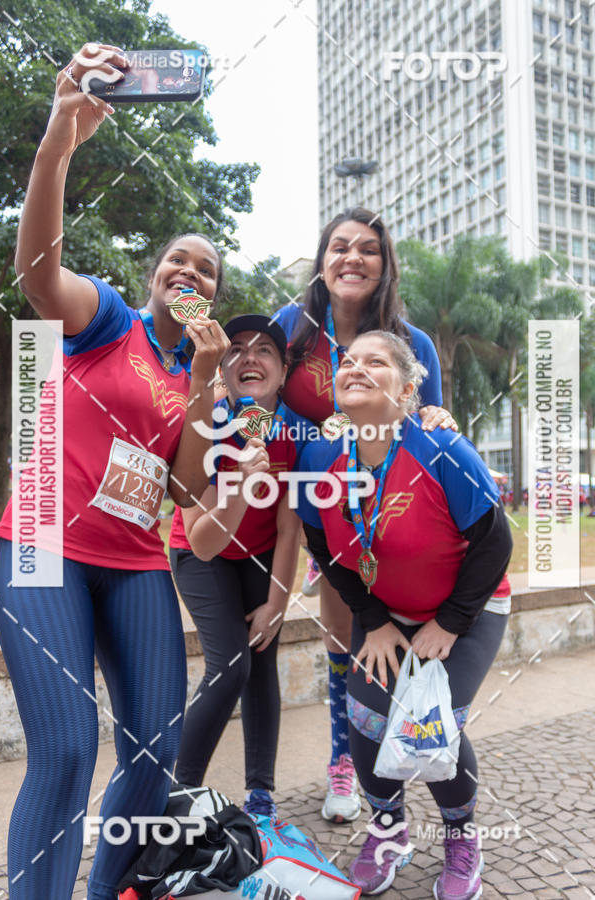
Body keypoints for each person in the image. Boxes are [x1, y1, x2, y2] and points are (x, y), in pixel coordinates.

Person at [0, 44, 229, 900]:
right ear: (155, 276)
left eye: (207, 268)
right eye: (179, 260)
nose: (191, 272)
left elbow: (186, 491)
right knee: (63, 752)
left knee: (154, 749)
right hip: (40, 545)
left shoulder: (196, 378)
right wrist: (61, 140)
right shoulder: (109, 319)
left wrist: (205, 391)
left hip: (133, 564)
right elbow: (36, 279)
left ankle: (106, 890)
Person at [298, 331, 513, 898]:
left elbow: (495, 544)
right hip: (390, 612)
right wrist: (373, 618)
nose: (356, 368)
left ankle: (463, 837)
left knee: (433, 720)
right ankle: (389, 829)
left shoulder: (441, 448)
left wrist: (450, 623)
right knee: (366, 718)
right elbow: (322, 546)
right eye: (348, 361)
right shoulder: (319, 457)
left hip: (468, 605)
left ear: (409, 388)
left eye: (376, 362)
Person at [272, 206, 456, 823]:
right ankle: (341, 763)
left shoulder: (412, 341)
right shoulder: (290, 328)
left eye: (369, 250)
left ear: (385, 267)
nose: (353, 257)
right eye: (340, 247)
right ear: (322, 263)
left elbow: (426, 429)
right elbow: (251, 404)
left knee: (373, 641)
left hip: (386, 516)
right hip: (302, 499)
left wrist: (437, 419)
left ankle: (405, 764)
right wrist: (315, 426)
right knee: (339, 639)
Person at [169, 314, 310, 818]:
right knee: (230, 665)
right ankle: (177, 791)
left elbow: (290, 528)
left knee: (261, 660)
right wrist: (241, 484)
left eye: (265, 349)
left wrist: (277, 602)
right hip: (199, 553)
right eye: (237, 350)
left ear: (284, 366)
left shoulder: (295, 433)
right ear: (222, 369)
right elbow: (203, 540)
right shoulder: (204, 425)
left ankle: (261, 795)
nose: (250, 357)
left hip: (260, 556)